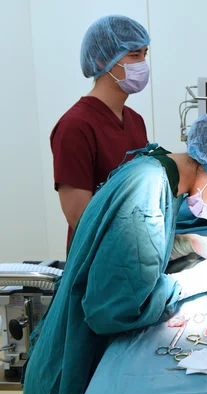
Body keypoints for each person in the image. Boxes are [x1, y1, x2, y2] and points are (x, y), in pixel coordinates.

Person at [23, 115, 207, 394]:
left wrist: (187, 243)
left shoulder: (155, 170)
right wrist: (197, 280)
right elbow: (113, 309)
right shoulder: (146, 191)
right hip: (71, 366)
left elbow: (124, 249)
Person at [51, 15, 152, 248]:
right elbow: (80, 217)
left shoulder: (135, 120)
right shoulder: (75, 127)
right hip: (99, 264)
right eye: (134, 55)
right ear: (100, 61)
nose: (142, 64)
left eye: (144, 54)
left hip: (137, 253)